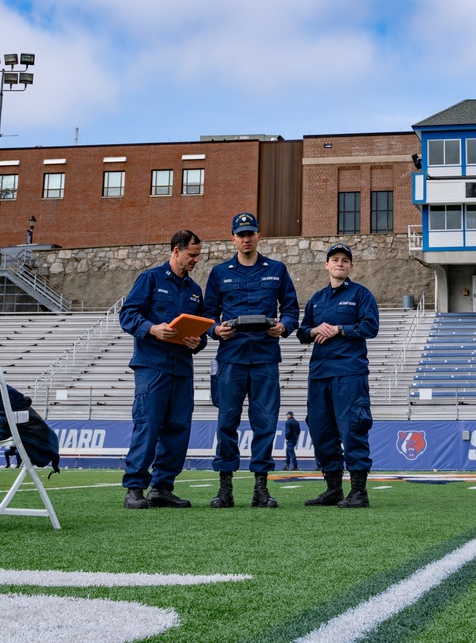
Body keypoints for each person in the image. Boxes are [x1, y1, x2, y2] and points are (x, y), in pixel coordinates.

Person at [203, 213, 299, 508]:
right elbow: (207, 314)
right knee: (226, 424)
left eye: (251, 233)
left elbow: (292, 310)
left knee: (265, 424)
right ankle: (225, 489)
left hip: (265, 359)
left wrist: (283, 327)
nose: (246, 239)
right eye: (240, 234)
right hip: (230, 359)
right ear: (232, 238)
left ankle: (261, 489)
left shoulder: (277, 269)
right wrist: (215, 329)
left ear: (260, 236)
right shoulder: (220, 273)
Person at [118, 230, 206, 509]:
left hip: (182, 368)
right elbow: (128, 314)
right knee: (148, 425)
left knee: (178, 428)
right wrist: (152, 329)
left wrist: (197, 342)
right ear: (176, 250)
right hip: (152, 366)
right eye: (192, 255)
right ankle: (134, 487)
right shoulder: (150, 279)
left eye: (198, 256)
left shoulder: (194, 290)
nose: (195, 260)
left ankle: (163, 487)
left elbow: (201, 333)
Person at [298, 242, 379, 508]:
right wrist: (313, 331)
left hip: (349, 373)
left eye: (345, 260)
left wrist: (340, 329)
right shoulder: (317, 298)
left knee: (352, 429)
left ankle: (358, 492)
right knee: (321, 431)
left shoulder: (360, 294)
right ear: (327, 265)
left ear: (351, 266)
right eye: (335, 259)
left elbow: (370, 327)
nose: (340, 263)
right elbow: (301, 332)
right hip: (319, 373)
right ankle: (333, 489)